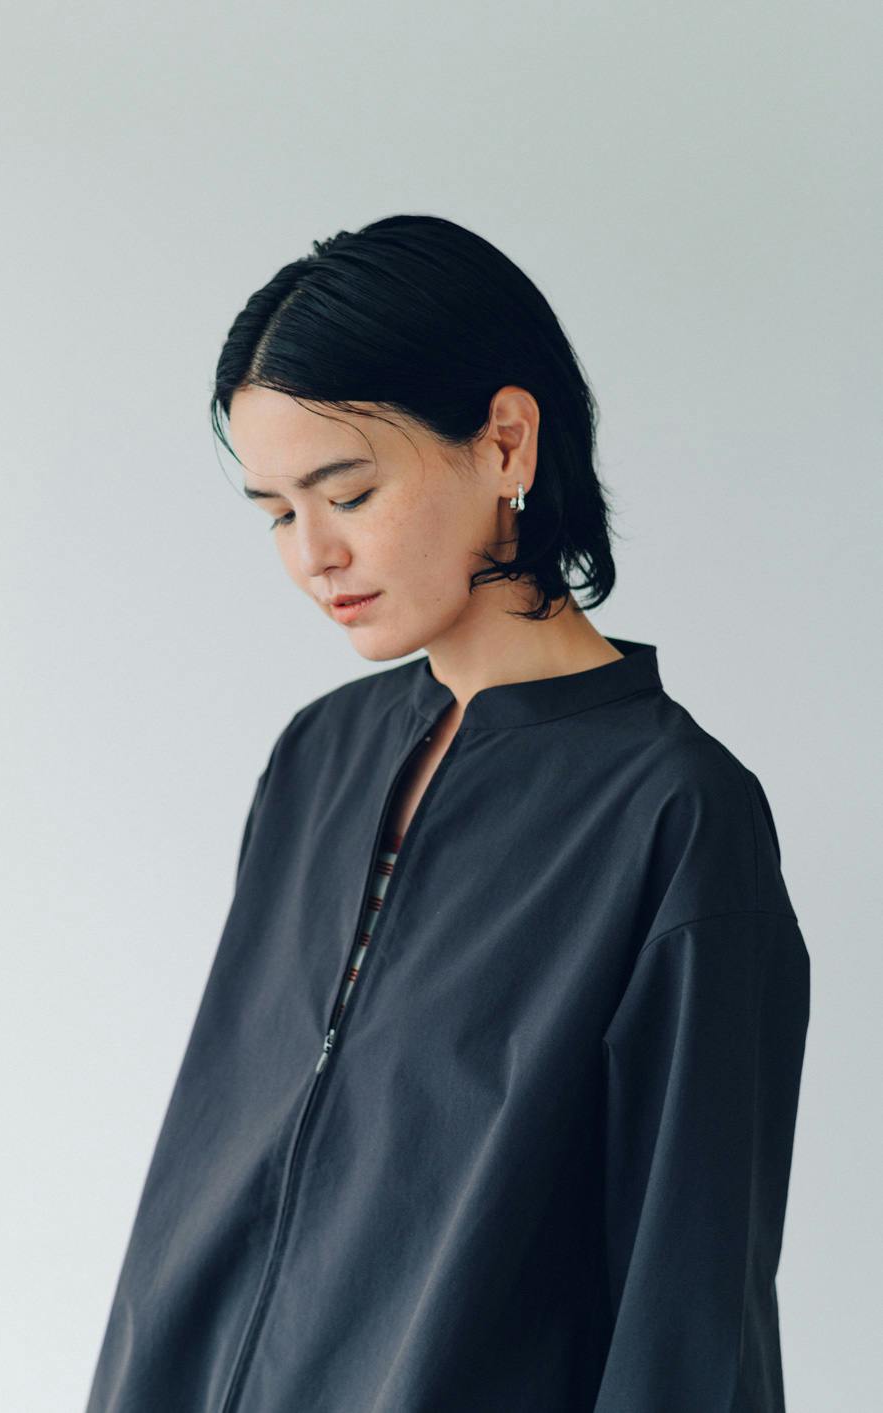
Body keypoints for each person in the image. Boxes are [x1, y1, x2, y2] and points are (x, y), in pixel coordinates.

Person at [85, 215, 810, 1412]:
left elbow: (688, 1300)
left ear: (505, 441)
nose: (312, 555)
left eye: (348, 491)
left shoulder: (673, 815)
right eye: (277, 512)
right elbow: (208, 1164)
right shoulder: (317, 758)